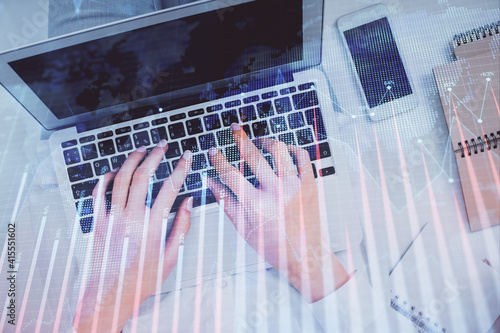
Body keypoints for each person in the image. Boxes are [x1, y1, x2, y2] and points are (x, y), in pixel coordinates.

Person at [47, 1, 384, 332]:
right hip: (251, 77)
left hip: (118, 100)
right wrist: (307, 261)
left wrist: (99, 317)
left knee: (89, 35)